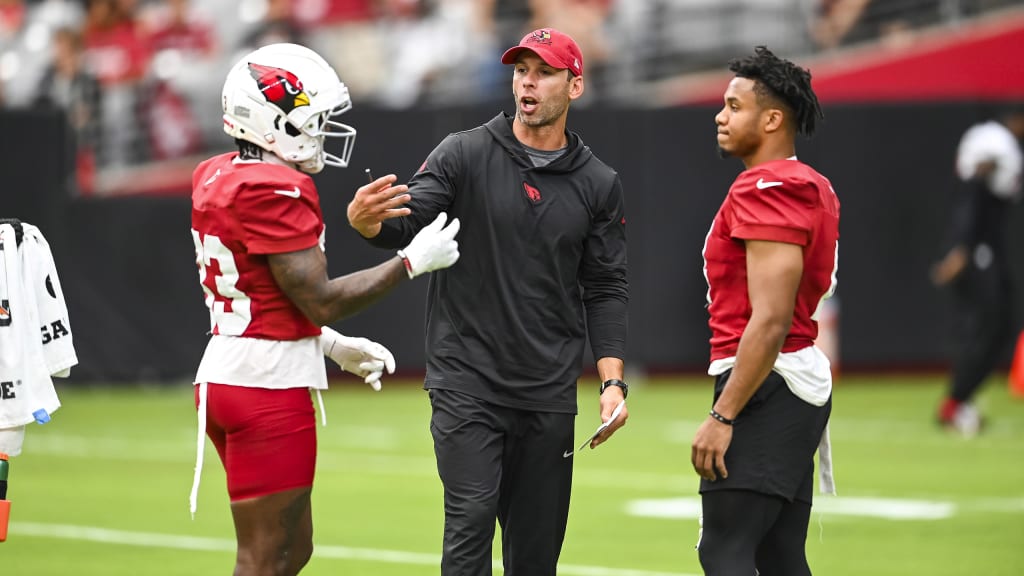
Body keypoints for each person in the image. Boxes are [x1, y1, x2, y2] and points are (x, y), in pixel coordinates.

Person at [346, 27, 629, 576]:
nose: (528, 81)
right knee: (469, 523)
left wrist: (612, 380)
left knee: (536, 556)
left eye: (544, 71)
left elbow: (606, 285)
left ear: (574, 86)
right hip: (467, 383)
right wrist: (369, 225)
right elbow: (412, 220)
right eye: (522, 70)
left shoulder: (599, 183)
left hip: (548, 392)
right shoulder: (463, 153)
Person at [188, 42, 461, 576]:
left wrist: (330, 345)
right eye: (312, 119)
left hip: (228, 371)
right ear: (271, 122)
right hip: (266, 387)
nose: (321, 130)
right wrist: (409, 262)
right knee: (267, 559)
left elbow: (259, 292)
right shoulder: (277, 187)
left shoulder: (216, 173)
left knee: (290, 553)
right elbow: (318, 297)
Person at [691, 46, 836, 576]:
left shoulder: (769, 185)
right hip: (786, 381)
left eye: (734, 105)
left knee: (724, 549)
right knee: (777, 554)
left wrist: (723, 414)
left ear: (772, 118)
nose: (720, 115)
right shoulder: (809, 184)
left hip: (765, 383)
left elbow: (771, 318)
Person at [931, 104, 1024, 436]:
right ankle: (956, 402)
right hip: (979, 254)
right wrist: (961, 249)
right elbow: (971, 201)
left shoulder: (1000, 151)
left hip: (989, 252)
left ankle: (961, 400)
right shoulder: (992, 152)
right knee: (988, 329)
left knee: (999, 329)